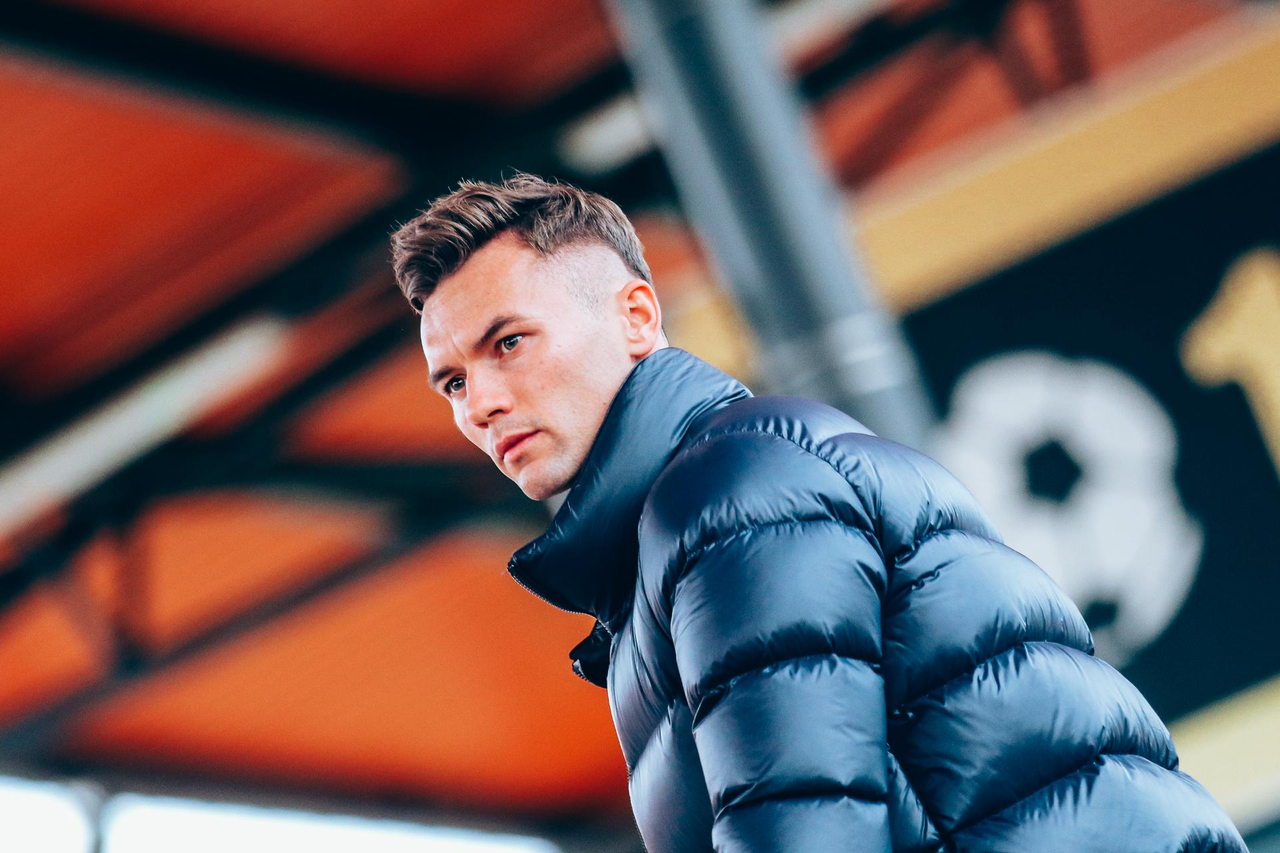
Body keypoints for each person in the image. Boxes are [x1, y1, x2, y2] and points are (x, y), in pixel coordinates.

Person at [390, 174, 1245, 853]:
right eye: (453, 382)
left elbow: (807, 826)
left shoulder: (731, 494)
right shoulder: (682, 532)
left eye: (509, 343)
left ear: (637, 317)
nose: (481, 404)